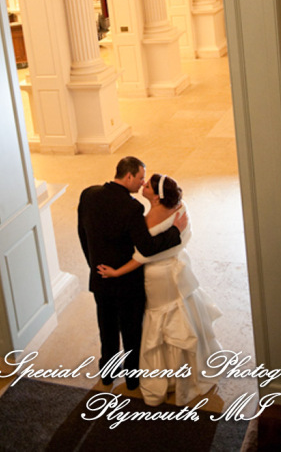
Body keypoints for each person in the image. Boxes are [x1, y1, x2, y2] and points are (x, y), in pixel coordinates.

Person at [97, 173, 223, 406]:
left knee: (160, 321)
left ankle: (167, 377)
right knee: (182, 313)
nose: (143, 185)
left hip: (157, 277)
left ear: (156, 198)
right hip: (178, 268)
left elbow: (141, 256)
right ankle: (188, 370)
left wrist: (116, 272)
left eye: (148, 186)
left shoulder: (148, 220)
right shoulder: (180, 206)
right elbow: (178, 237)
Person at [77, 156, 187, 390]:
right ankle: (132, 378)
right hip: (127, 284)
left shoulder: (88, 195)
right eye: (140, 178)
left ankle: (107, 373)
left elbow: (82, 235)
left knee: (106, 328)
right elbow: (147, 247)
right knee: (131, 331)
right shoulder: (132, 208)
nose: (141, 184)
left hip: (100, 277)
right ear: (128, 176)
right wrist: (175, 232)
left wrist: (94, 265)